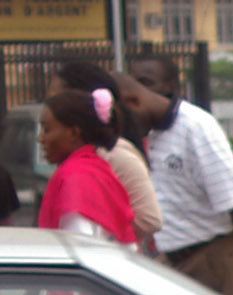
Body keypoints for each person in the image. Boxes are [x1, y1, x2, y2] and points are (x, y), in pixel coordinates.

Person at [118, 56, 233, 295]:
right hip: (167, 261)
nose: (141, 89)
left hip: (213, 255)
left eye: (147, 82)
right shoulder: (141, 133)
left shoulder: (196, 125)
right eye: (135, 81)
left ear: (172, 86)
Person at [49, 60, 159, 245]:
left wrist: (103, 238)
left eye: (54, 99)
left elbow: (149, 219)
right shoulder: (78, 157)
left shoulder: (115, 154)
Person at [37, 89, 135, 244]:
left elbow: (78, 247)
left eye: (46, 129)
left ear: (74, 133)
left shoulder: (75, 177)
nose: (40, 138)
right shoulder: (94, 167)